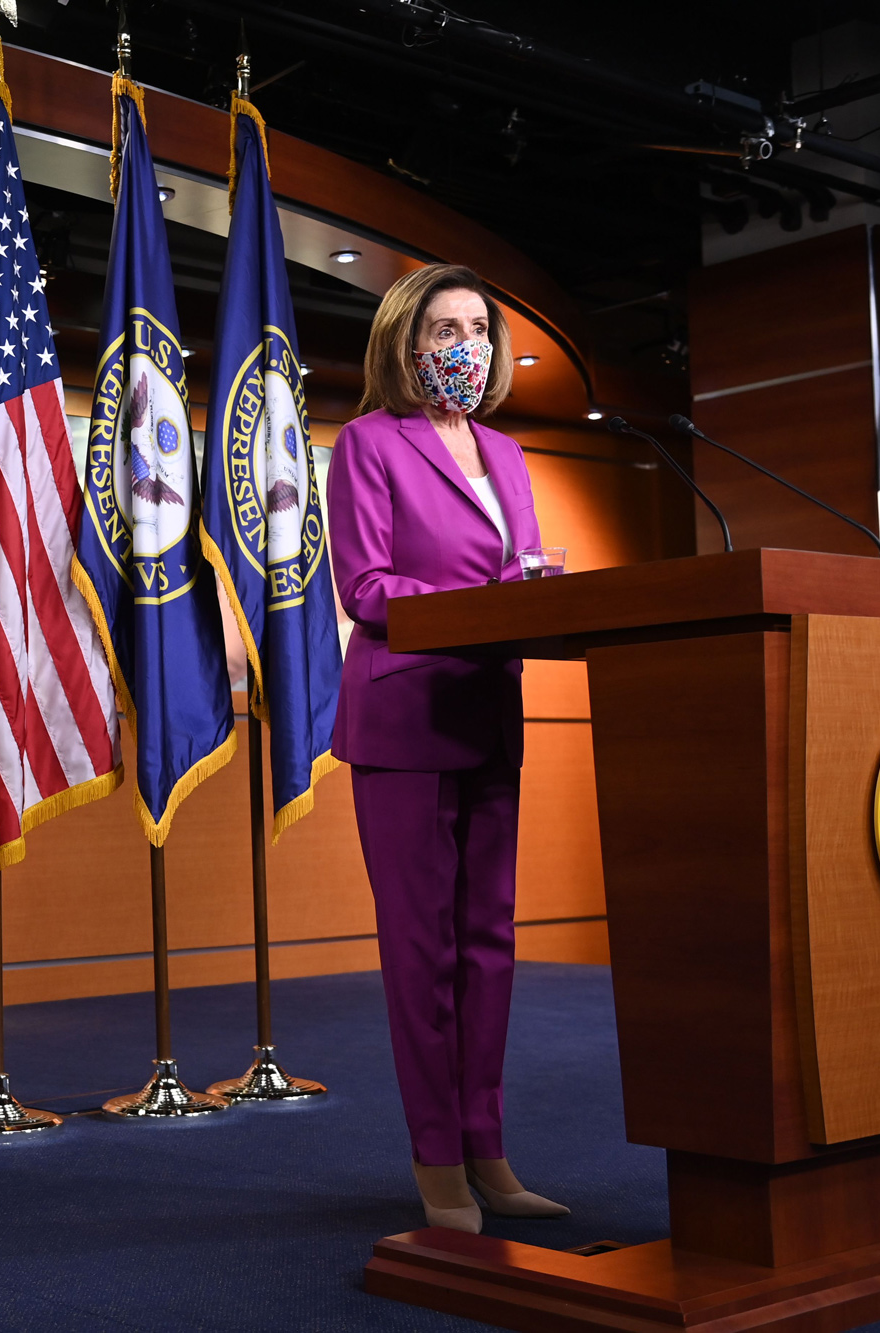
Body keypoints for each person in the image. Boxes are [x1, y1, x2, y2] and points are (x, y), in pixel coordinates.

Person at [325, 264, 567, 1234]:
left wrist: (538, 592)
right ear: (404, 340)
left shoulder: (507, 455)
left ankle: (486, 1149)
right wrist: (485, 606)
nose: (462, 345)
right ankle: (435, 1165)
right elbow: (367, 588)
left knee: (488, 949)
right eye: (443, 328)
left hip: (486, 715)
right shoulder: (366, 446)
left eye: (475, 328)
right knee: (422, 953)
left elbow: (517, 573)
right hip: (402, 722)